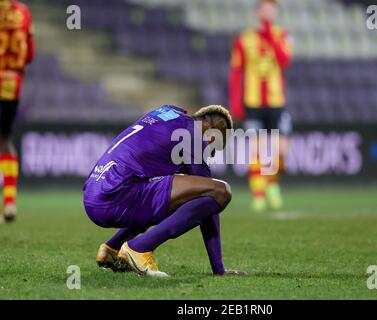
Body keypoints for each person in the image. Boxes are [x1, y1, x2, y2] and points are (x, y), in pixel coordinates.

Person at [83, 105, 245, 277]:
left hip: (95, 194)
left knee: (170, 197)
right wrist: (218, 269)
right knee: (221, 191)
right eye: (215, 146)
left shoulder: (169, 112)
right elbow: (210, 197)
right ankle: (139, 248)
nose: (211, 154)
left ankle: (112, 249)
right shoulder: (195, 136)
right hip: (117, 196)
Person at [229, 0, 292, 212]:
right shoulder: (244, 39)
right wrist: (236, 102)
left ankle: (272, 183)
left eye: (271, 9)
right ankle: (258, 196)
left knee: (281, 150)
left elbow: (284, 60)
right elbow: (236, 71)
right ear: (258, 12)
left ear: (275, 12)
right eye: (264, 8)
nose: (268, 12)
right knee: (256, 149)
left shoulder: (282, 34)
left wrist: (269, 35)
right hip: (253, 102)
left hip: (276, 101)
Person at [0, 0, 35, 223]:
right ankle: (10, 201)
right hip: (11, 83)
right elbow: (29, 54)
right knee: (4, 138)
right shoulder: (22, 12)